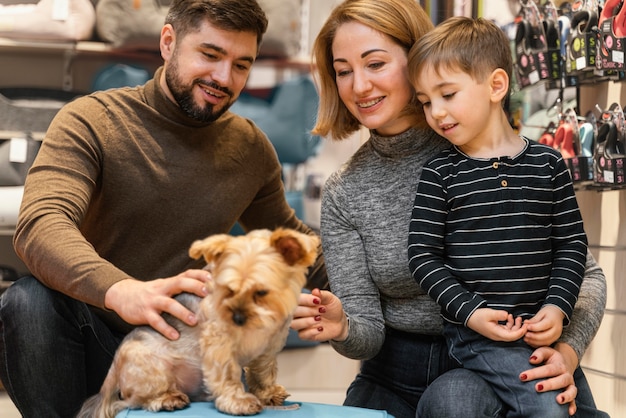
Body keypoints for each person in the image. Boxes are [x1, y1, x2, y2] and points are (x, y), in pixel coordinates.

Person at [0, 1, 326, 417]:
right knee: (27, 302)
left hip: (183, 354)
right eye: (209, 55)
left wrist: (371, 296)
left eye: (241, 65)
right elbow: (41, 224)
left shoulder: (250, 148)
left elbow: (294, 242)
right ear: (168, 42)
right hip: (91, 338)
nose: (224, 78)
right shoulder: (90, 120)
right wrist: (121, 290)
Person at [290, 1, 607, 417]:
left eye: (375, 63)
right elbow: (366, 333)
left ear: (415, 58)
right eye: (343, 70)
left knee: (455, 403)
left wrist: (567, 349)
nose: (359, 86)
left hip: (502, 357)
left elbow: (586, 273)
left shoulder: (480, 144)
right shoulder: (344, 191)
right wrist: (342, 325)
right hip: (395, 372)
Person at [406, 16, 588, 418]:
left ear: (496, 85)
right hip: (478, 336)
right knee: (551, 409)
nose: (435, 112)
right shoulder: (441, 172)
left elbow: (572, 246)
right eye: (425, 101)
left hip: (542, 332)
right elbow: (422, 255)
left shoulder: (549, 163)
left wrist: (557, 309)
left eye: (447, 94)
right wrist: (470, 313)